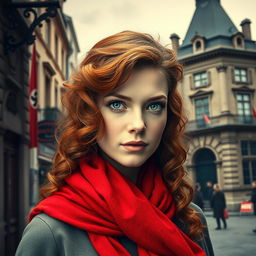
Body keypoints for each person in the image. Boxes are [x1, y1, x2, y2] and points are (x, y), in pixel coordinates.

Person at [16, 31, 214, 256]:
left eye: (154, 106)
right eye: (118, 105)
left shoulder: (191, 220)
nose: (138, 124)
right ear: (90, 113)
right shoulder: (50, 233)